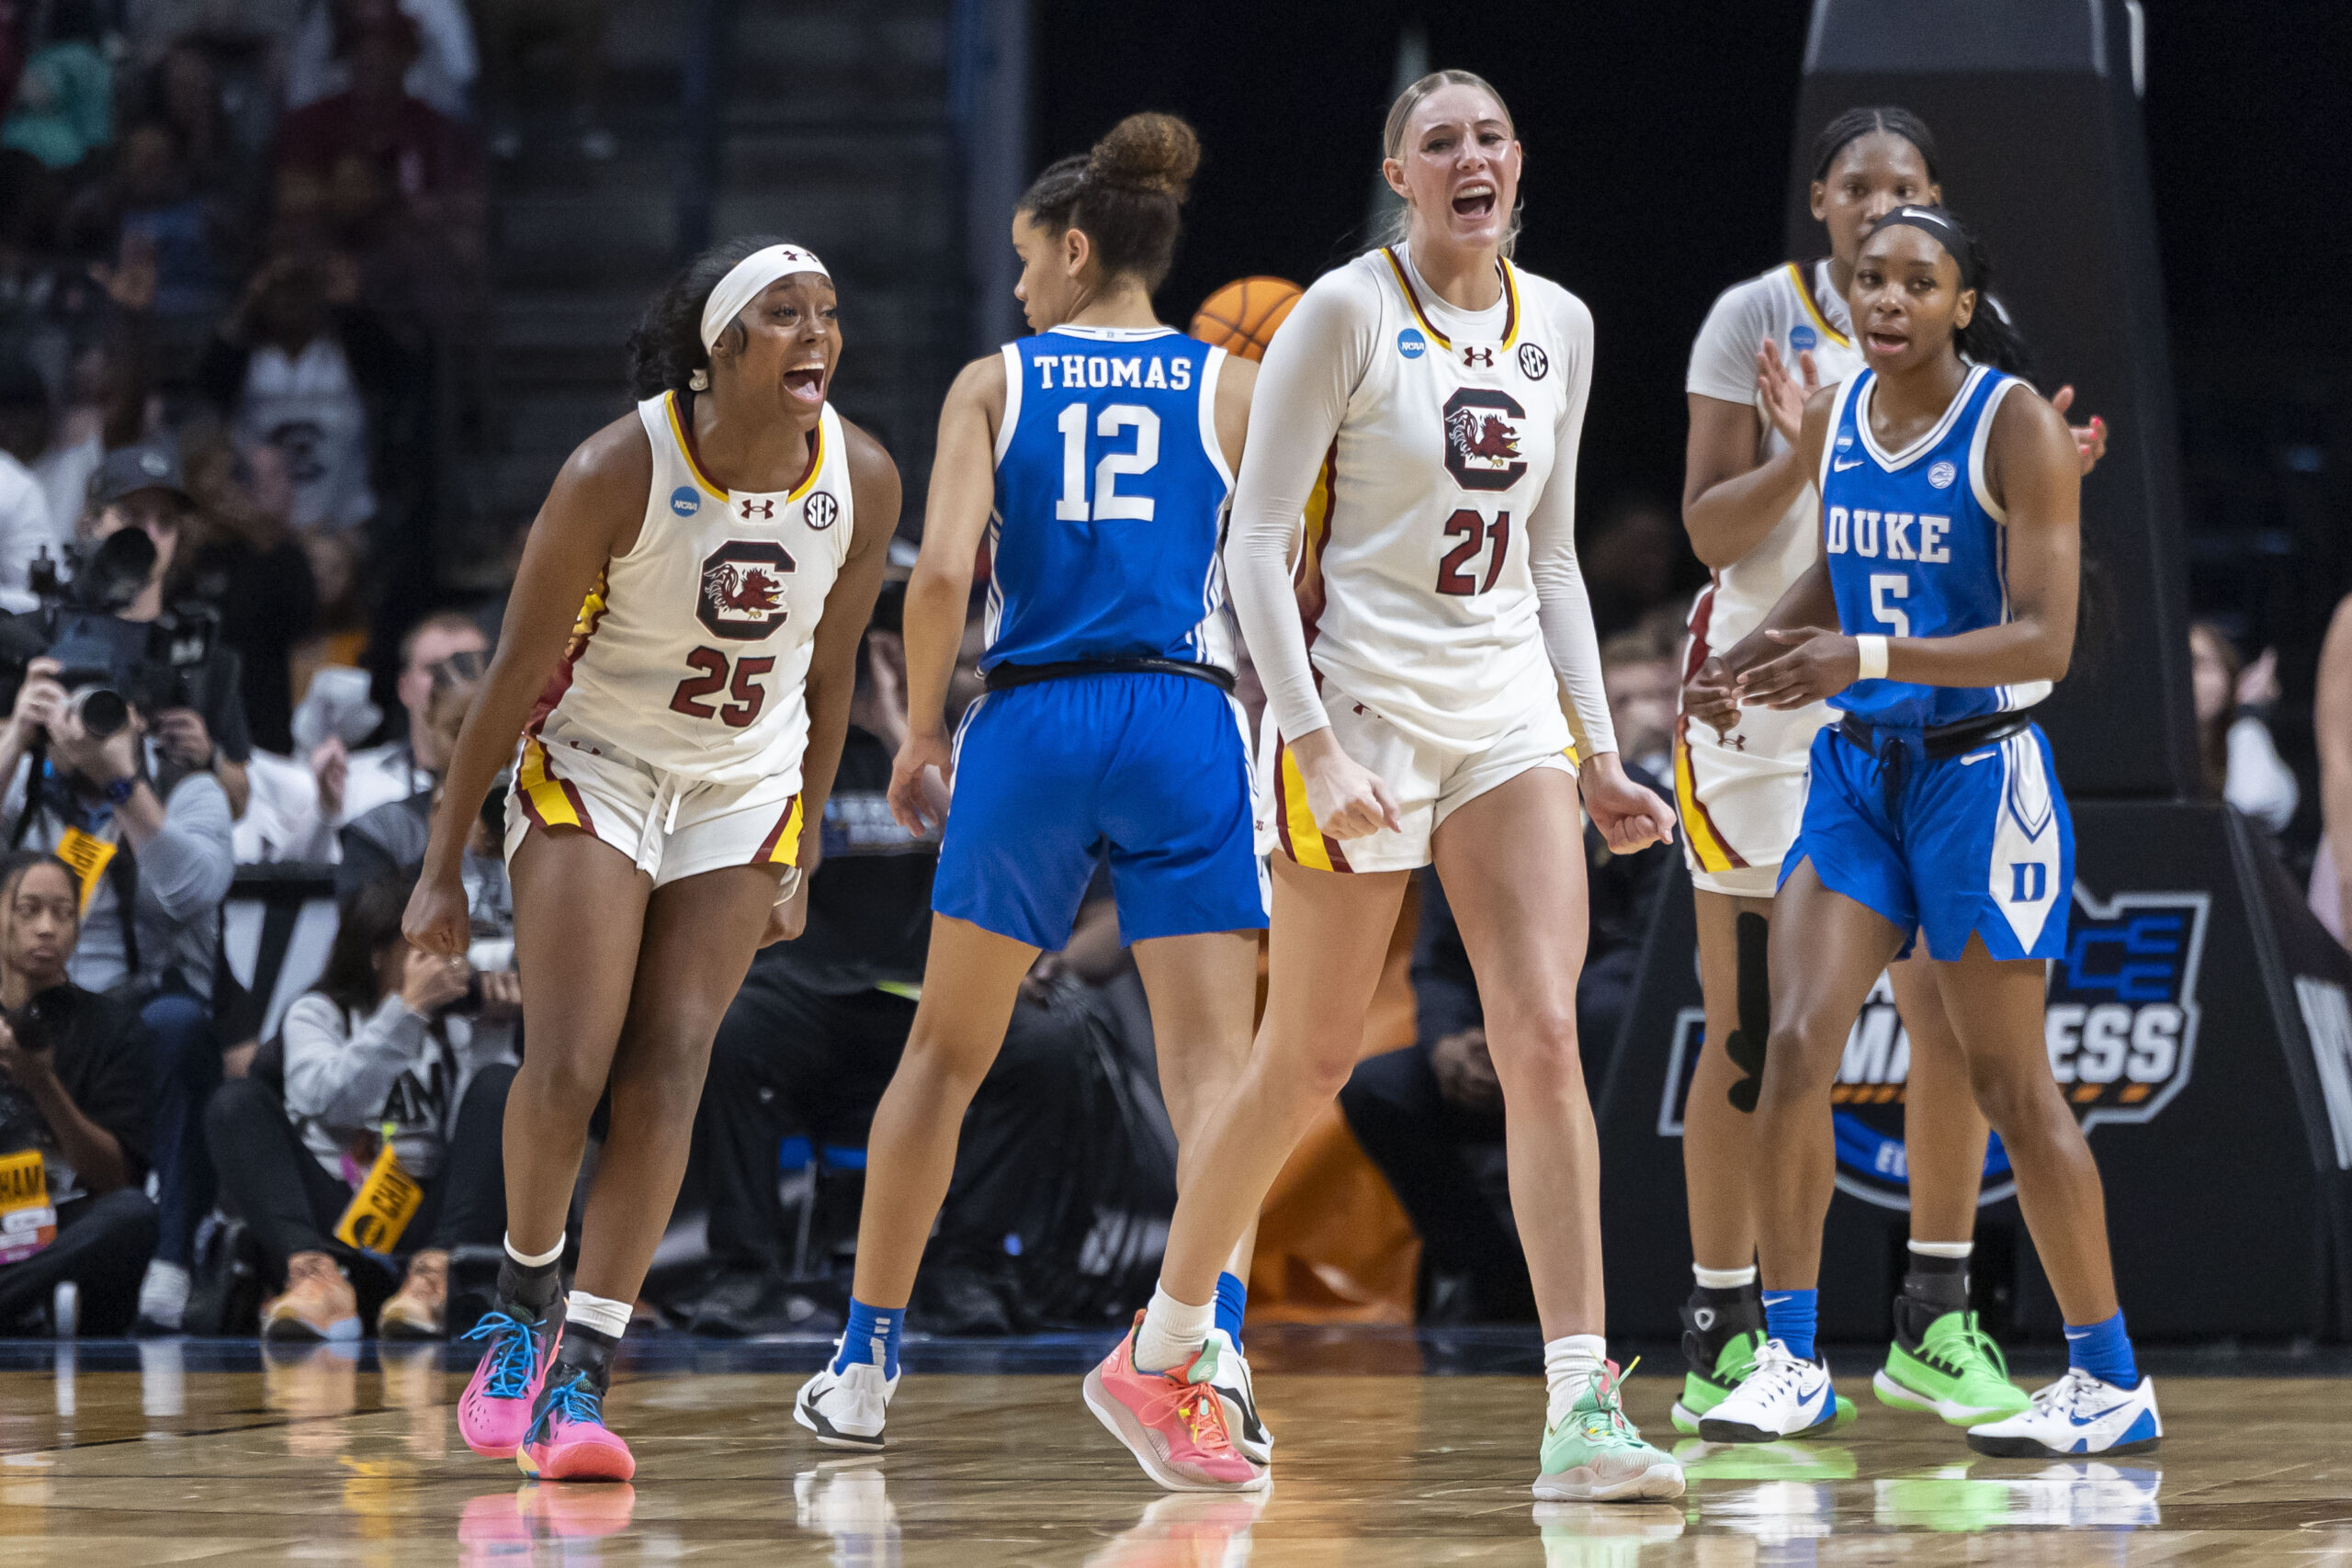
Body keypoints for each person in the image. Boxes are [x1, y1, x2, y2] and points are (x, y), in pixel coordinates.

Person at [1095, 72, 1682, 1502]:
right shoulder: (1342, 316)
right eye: (1441, 143)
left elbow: (1549, 558)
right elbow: (1250, 546)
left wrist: (1597, 746)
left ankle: (1577, 1406)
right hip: (1355, 711)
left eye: (1488, 137)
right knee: (1300, 1055)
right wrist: (1307, 742)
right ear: (1400, 176)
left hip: (1505, 722)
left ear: (1517, 164)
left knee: (1543, 1032)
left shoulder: (1564, 327)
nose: (1469, 158)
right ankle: (1161, 1344)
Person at [794, 113, 1272, 1473]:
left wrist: (925, 728)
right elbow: (1268, 576)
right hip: (1183, 709)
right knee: (1211, 1069)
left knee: (944, 1055)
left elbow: (938, 576)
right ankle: (1210, 1349)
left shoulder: (992, 381)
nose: (1016, 289)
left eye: (1024, 261)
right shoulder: (1226, 387)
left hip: (1036, 714)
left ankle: (864, 1362)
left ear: (1074, 250)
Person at [405, 235, 897, 1481]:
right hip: (597, 766)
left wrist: (812, 841)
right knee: (570, 1059)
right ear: (718, 348)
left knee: (674, 1057)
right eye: (783, 313)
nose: (816, 334)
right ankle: (522, 1303)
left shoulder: (867, 476)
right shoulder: (615, 469)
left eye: (828, 312)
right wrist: (440, 860)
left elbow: (833, 672)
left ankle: (584, 1373)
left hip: (742, 785)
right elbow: (513, 674)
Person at [1687, 205, 2157, 1458]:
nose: (1886, 298)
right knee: (1791, 1042)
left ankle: (2109, 1372)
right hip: (1858, 771)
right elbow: (1841, 574)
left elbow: (2045, 640)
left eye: (1916, 281)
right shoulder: (1842, 414)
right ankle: (1790, 1355)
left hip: (1976, 777)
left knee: (2011, 1080)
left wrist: (1865, 652)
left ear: (1962, 301)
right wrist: (1748, 654)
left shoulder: (2018, 425)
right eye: (1867, 279)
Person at [688, 618, 1120, 1337]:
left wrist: (902, 733)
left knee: (1045, 1045)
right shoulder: (794, 748)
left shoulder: (992, 756)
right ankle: (743, 1271)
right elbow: (788, 867)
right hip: (813, 995)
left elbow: (998, 861)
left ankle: (966, 1266)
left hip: (938, 998)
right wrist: (831, 726)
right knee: (728, 1032)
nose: (890, 664)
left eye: (948, 661)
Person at [1339, 763, 1672, 1325]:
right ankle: (1495, 1275)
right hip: (1495, 1047)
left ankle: (1609, 1278)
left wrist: (1532, 1026)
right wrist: (1450, 1039)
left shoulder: (1632, 800)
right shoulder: (1472, 803)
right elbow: (1439, 957)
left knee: (1601, 1016)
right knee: (1378, 1090)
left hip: (1598, 1055)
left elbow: (1648, 954)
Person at [0, 650, 235, 1336]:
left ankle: (168, 1256)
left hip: (130, 1007)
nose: (87, 727)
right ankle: (33, 1293)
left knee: (176, 1024)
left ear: (138, 718)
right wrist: (17, 736)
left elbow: (191, 890)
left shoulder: (186, 787)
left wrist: (122, 782)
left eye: (107, 712)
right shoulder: (24, 783)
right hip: (18, 995)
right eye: (72, 711)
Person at [207, 876, 513, 1341]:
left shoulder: (456, 1028)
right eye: (422, 950)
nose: (442, 966)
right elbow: (328, 1102)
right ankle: (316, 1279)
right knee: (234, 1104)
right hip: (331, 1211)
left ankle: (434, 1281)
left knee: (503, 1089)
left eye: (449, 950)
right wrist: (405, 1012)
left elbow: (477, 1145)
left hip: (426, 1220)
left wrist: (494, 1032)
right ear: (376, 952)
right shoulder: (317, 1012)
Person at [0, 851, 157, 1336]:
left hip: (63, 1225)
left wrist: (42, 1083)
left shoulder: (114, 1028)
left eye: (63, 913)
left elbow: (115, 1179)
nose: (46, 928)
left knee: (132, 1215)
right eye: (28, 910)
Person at [75, 444, 255, 818]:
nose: (151, 534)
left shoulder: (200, 649)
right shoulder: (57, 631)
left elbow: (240, 801)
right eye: (133, 516)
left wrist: (209, 757)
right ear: (91, 522)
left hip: (167, 846)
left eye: (166, 521)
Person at [328, 609, 490, 829]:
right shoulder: (352, 781)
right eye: (435, 669)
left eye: (466, 667)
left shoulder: (529, 782)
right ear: (404, 688)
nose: (451, 682)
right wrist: (326, 813)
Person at [2188, 620, 2296, 832]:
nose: (2186, 677)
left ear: (2230, 678)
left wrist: (2249, 713)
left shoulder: (2247, 739)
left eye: (2199, 664)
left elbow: (2250, 801)